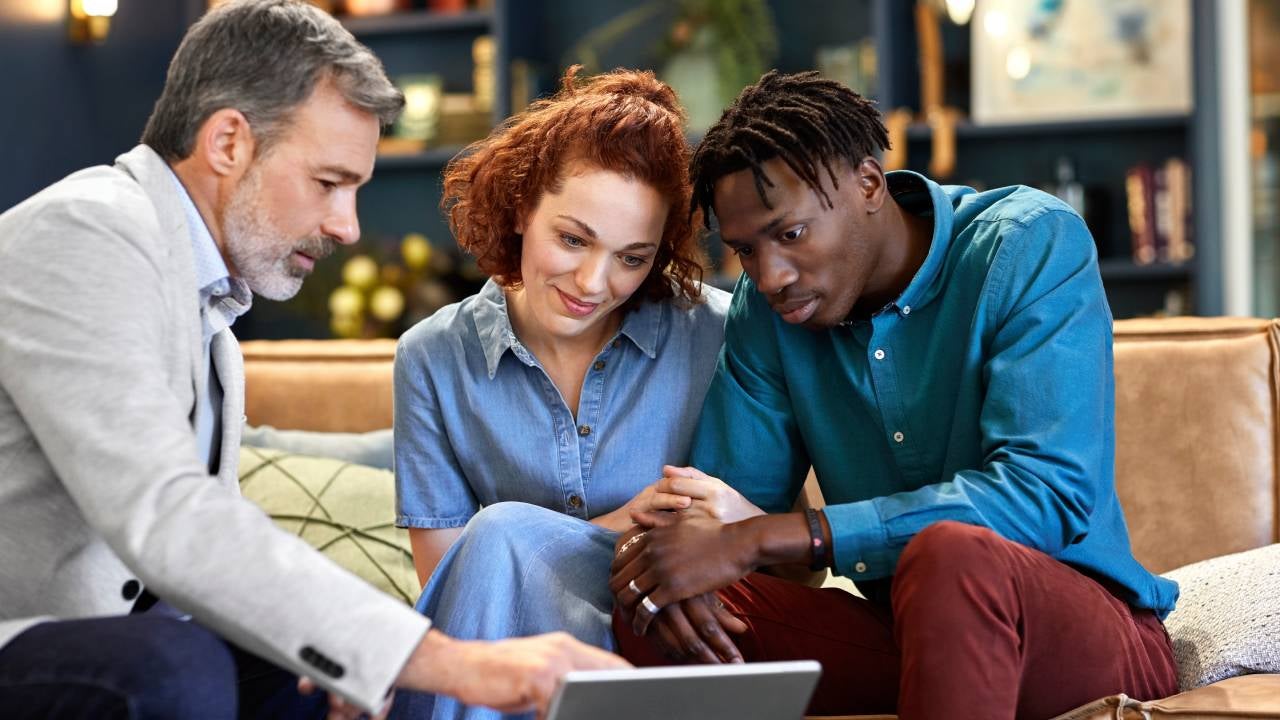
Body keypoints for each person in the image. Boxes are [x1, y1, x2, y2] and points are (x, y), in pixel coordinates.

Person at [0, 2, 624, 718]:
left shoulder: (207, 308)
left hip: (96, 642)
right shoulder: (86, 234)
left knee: (304, 672)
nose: (347, 226)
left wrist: (348, 653)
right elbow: (167, 514)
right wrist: (446, 661)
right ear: (228, 142)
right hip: (31, 634)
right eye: (329, 183)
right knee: (176, 667)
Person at [607, 70, 1181, 720]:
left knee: (949, 554)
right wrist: (660, 559)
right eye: (745, 250)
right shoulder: (766, 313)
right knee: (657, 603)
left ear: (869, 185)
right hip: (907, 637)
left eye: (790, 234)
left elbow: (1047, 494)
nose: (769, 276)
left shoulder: (1028, 243)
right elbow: (717, 514)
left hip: (1085, 631)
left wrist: (775, 536)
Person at [389, 68, 734, 719]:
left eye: (632, 257)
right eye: (573, 240)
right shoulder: (431, 358)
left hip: (657, 650)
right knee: (497, 537)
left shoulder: (717, 336)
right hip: (500, 659)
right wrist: (628, 522)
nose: (593, 282)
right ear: (523, 208)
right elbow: (456, 581)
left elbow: (763, 551)